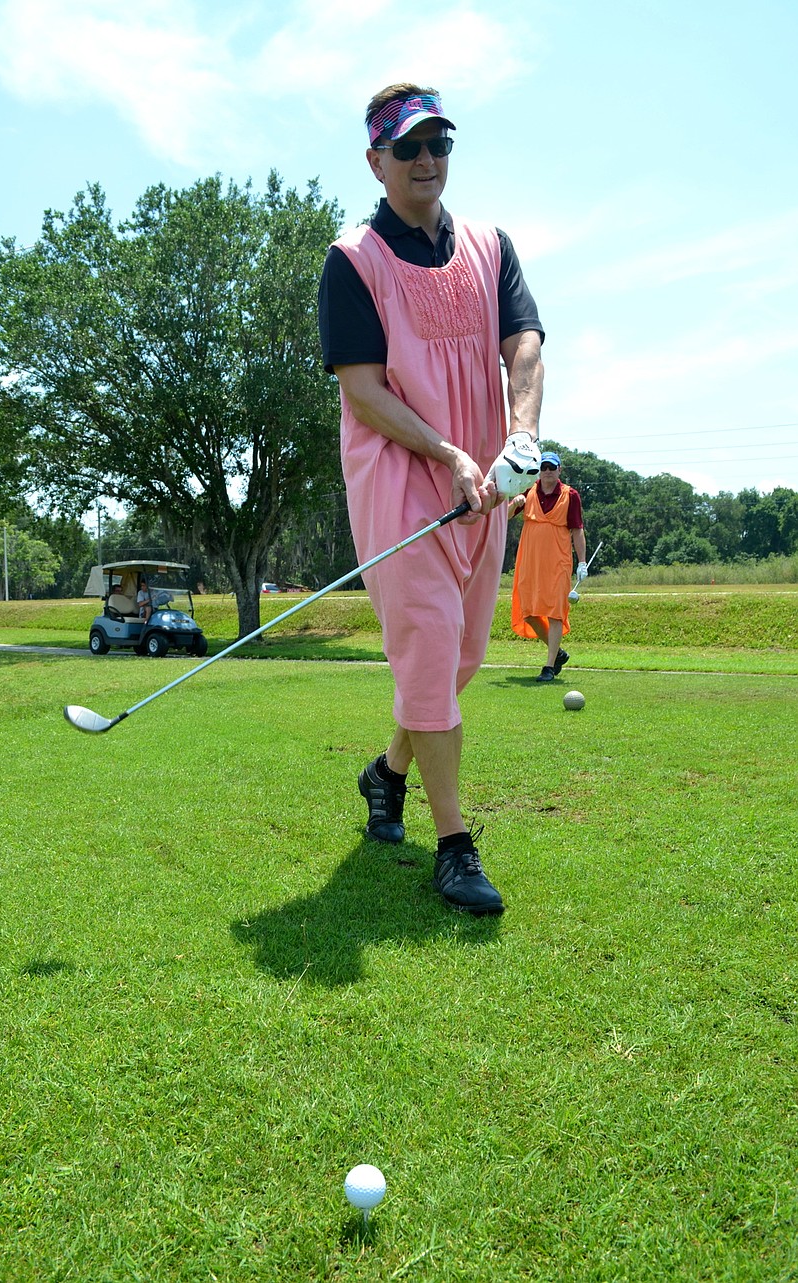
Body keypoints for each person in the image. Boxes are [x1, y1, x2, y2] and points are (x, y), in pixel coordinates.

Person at [318, 83, 545, 915]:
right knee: (430, 648)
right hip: (399, 482)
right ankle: (454, 847)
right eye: (408, 147)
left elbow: (523, 341)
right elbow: (365, 391)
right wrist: (445, 449)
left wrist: (518, 434)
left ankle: (387, 775)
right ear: (376, 160)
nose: (426, 160)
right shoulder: (353, 261)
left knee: (455, 664)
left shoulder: (491, 245)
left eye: (439, 144)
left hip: (483, 487)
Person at [509, 451, 587, 681]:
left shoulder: (570, 495)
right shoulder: (528, 490)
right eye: (543, 467)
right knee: (528, 611)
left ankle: (549, 666)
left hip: (558, 561)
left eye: (552, 467)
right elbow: (503, 517)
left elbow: (577, 530)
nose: (547, 472)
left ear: (559, 470)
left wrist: (582, 561)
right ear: (538, 470)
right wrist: (514, 504)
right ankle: (559, 653)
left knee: (555, 612)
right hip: (529, 560)